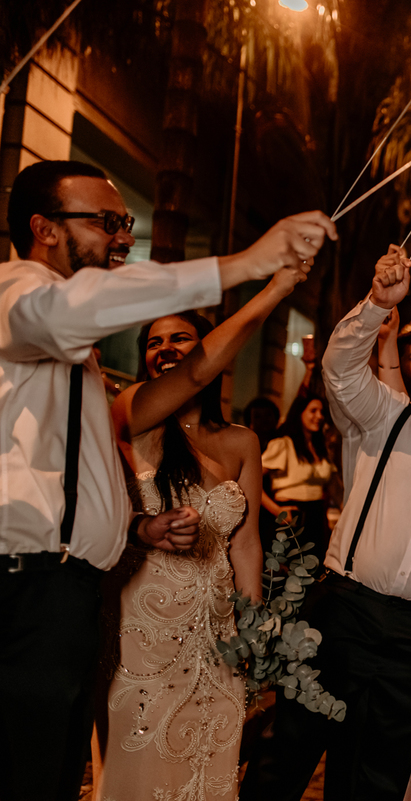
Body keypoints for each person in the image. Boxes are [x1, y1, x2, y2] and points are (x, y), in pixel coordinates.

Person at [0, 159, 331, 801]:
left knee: (55, 778)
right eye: (107, 222)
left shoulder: (83, 363)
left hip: (68, 596)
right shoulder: (17, 293)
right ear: (43, 228)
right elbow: (70, 308)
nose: (124, 237)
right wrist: (242, 262)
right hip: (29, 592)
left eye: (126, 222)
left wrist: (272, 289)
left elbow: (193, 377)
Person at [240, 246, 411, 801]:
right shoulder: (389, 415)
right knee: (287, 753)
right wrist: (378, 305)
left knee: (377, 773)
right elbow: (339, 370)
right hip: (345, 611)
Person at [98, 266, 305, 799]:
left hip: (215, 633)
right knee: (139, 757)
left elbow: (247, 543)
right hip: (141, 627)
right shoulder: (131, 416)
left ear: (207, 348)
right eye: (154, 342)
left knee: (210, 761)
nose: (165, 349)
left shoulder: (242, 442)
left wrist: (254, 627)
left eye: (181, 338)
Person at [261, 393, 335, 564]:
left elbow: (333, 487)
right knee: (291, 576)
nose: (319, 416)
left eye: (322, 412)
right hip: (292, 515)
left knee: (314, 571)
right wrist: (276, 510)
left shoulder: (320, 448)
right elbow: (251, 479)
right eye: (313, 411)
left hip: (317, 517)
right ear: (299, 413)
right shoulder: (284, 444)